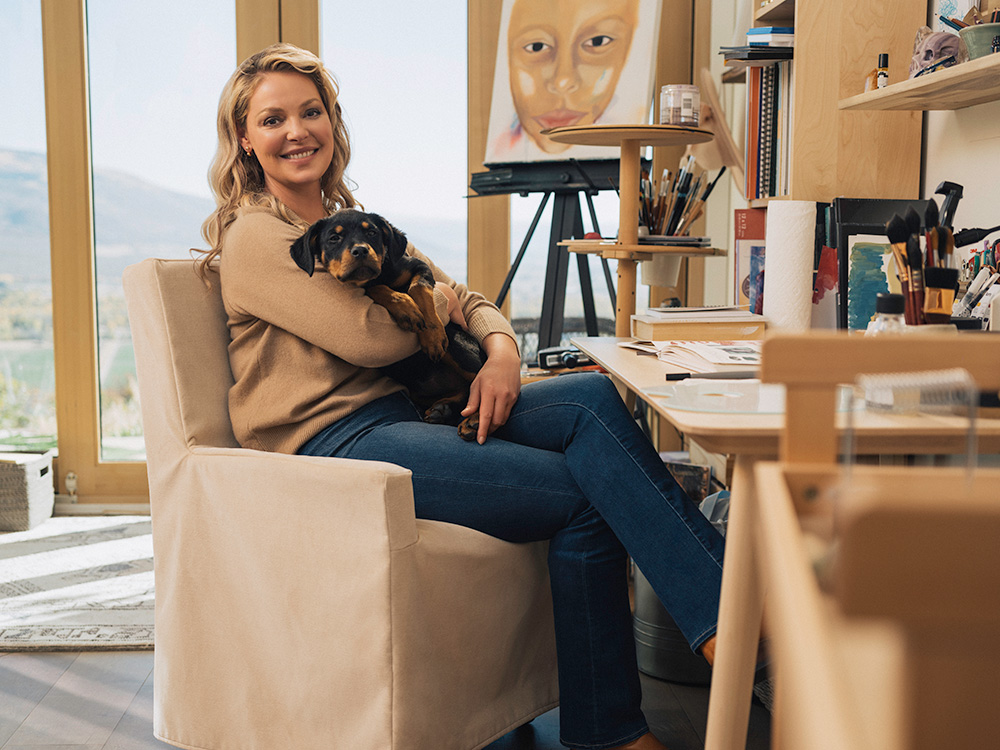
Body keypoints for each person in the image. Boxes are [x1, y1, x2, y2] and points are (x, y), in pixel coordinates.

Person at [199, 43, 727, 750]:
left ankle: (721, 631)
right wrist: (437, 307)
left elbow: (469, 299)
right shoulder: (257, 236)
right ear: (245, 138)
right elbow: (370, 340)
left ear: (332, 121)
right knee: (582, 491)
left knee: (594, 400)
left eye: (311, 111)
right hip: (332, 441)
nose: (297, 131)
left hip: (403, 413)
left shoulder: (354, 218)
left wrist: (503, 353)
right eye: (273, 119)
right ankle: (642, 713)